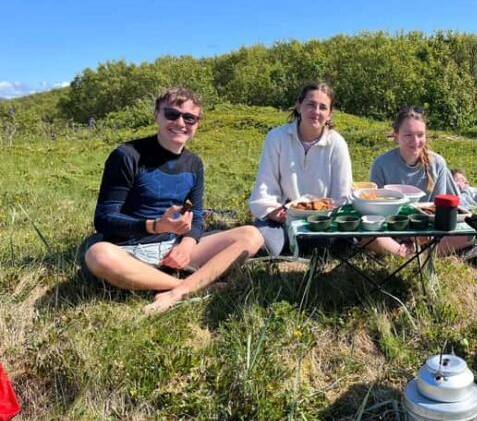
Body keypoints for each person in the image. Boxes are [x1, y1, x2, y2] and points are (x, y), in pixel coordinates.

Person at [82, 87, 264, 314]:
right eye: (172, 114)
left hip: (172, 248)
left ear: (197, 123)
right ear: (156, 115)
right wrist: (155, 226)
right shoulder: (127, 155)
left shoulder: (194, 163)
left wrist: (186, 245)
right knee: (97, 255)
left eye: (189, 118)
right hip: (128, 250)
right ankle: (187, 286)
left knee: (251, 235)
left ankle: (178, 291)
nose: (180, 122)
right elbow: (104, 219)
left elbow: (196, 217)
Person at [249, 82, 353, 256]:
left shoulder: (337, 144)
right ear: (299, 106)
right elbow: (266, 183)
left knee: (334, 246)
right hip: (282, 218)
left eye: (322, 107)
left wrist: (321, 214)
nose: (316, 112)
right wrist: (273, 210)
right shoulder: (277, 137)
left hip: (322, 220)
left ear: (329, 114)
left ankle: (301, 245)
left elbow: (343, 194)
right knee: (267, 247)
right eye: (310, 104)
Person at [368, 106, 469, 256]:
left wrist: (418, 238)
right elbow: (376, 211)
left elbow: (437, 210)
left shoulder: (437, 164)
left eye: (420, 135)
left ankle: (419, 254)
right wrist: (403, 237)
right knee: (366, 236)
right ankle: (406, 254)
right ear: (396, 135)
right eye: (408, 135)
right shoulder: (381, 164)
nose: (415, 141)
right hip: (391, 230)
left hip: (426, 231)